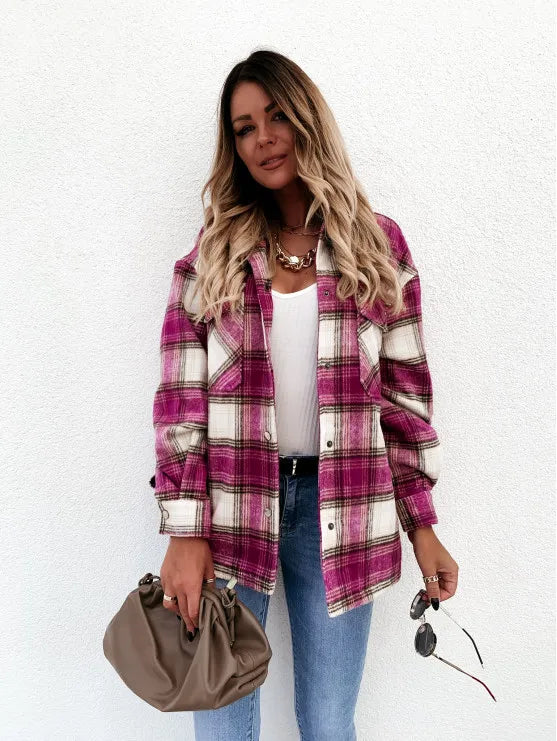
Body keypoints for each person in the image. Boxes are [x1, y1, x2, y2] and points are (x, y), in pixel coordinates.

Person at [151, 49, 458, 741]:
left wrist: (422, 526)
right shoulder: (212, 257)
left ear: (307, 119)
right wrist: (184, 531)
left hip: (344, 507)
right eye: (244, 128)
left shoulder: (376, 247)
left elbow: (404, 404)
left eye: (277, 116)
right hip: (230, 511)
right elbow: (178, 405)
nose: (263, 138)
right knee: (221, 725)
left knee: (327, 723)